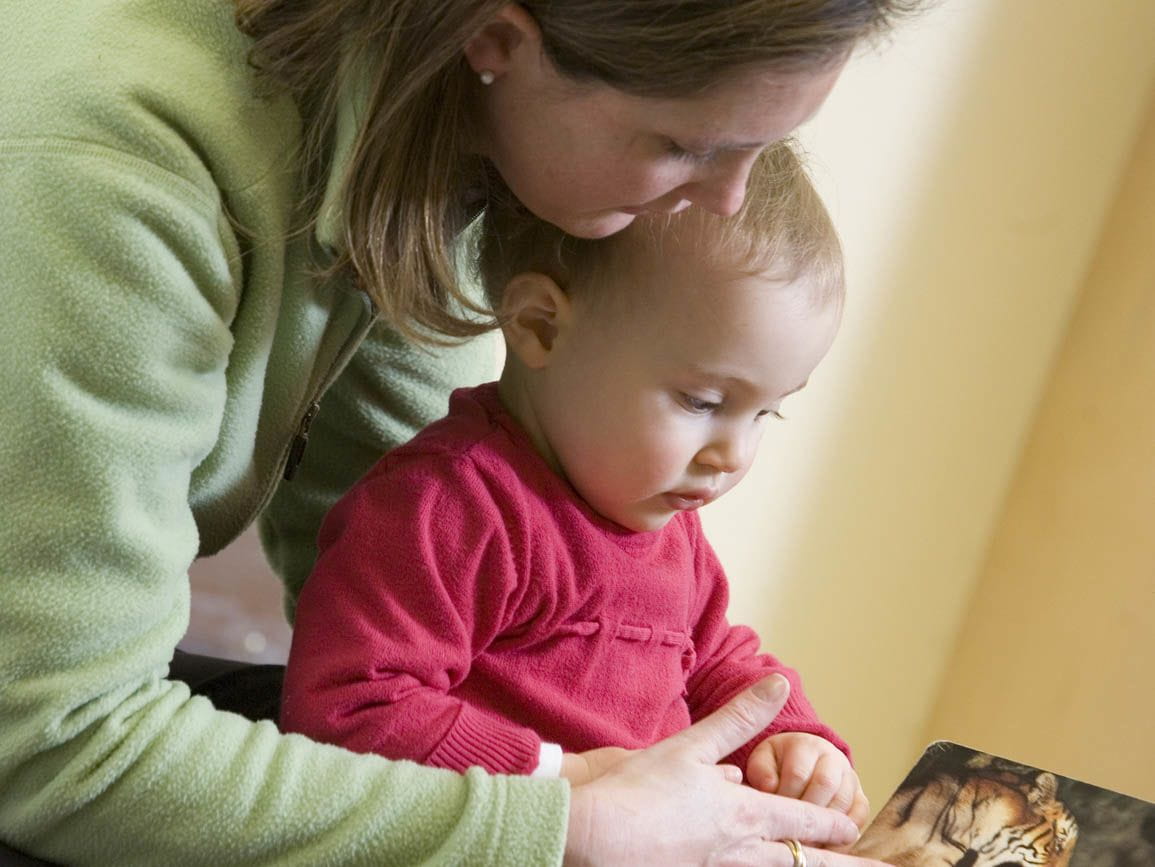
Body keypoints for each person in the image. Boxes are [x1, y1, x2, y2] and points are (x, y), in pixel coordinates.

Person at [0, 0, 918, 864]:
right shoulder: (113, 171)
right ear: (497, 39)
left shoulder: (439, 140)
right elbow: (52, 743)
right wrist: (564, 819)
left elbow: (419, 565)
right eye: (686, 146)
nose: (724, 201)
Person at [281, 141, 871, 830]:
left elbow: (711, 658)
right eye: (703, 401)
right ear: (541, 325)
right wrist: (566, 781)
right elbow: (348, 707)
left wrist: (789, 740)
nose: (732, 455)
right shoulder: (450, 507)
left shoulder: (666, 523)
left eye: (767, 411)